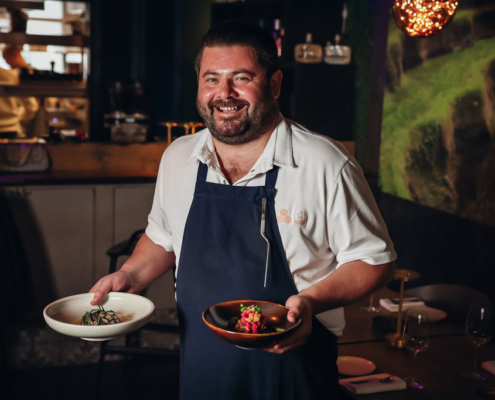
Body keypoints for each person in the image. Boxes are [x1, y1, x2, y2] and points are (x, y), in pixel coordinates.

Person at [90, 20, 397, 399]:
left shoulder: (325, 163)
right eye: (212, 79)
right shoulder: (178, 157)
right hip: (203, 368)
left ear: (275, 84)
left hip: (293, 371)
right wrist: (129, 275)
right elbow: (162, 237)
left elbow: (373, 260)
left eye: (241, 78)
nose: (224, 93)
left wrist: (312, 302)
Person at [0, 45, 38, 138]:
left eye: (6, 59)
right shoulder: (11, 75)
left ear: (15, 54)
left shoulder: (21, 73)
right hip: (11, 129)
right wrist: (18, 118)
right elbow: (31, 106)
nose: (7, 63)